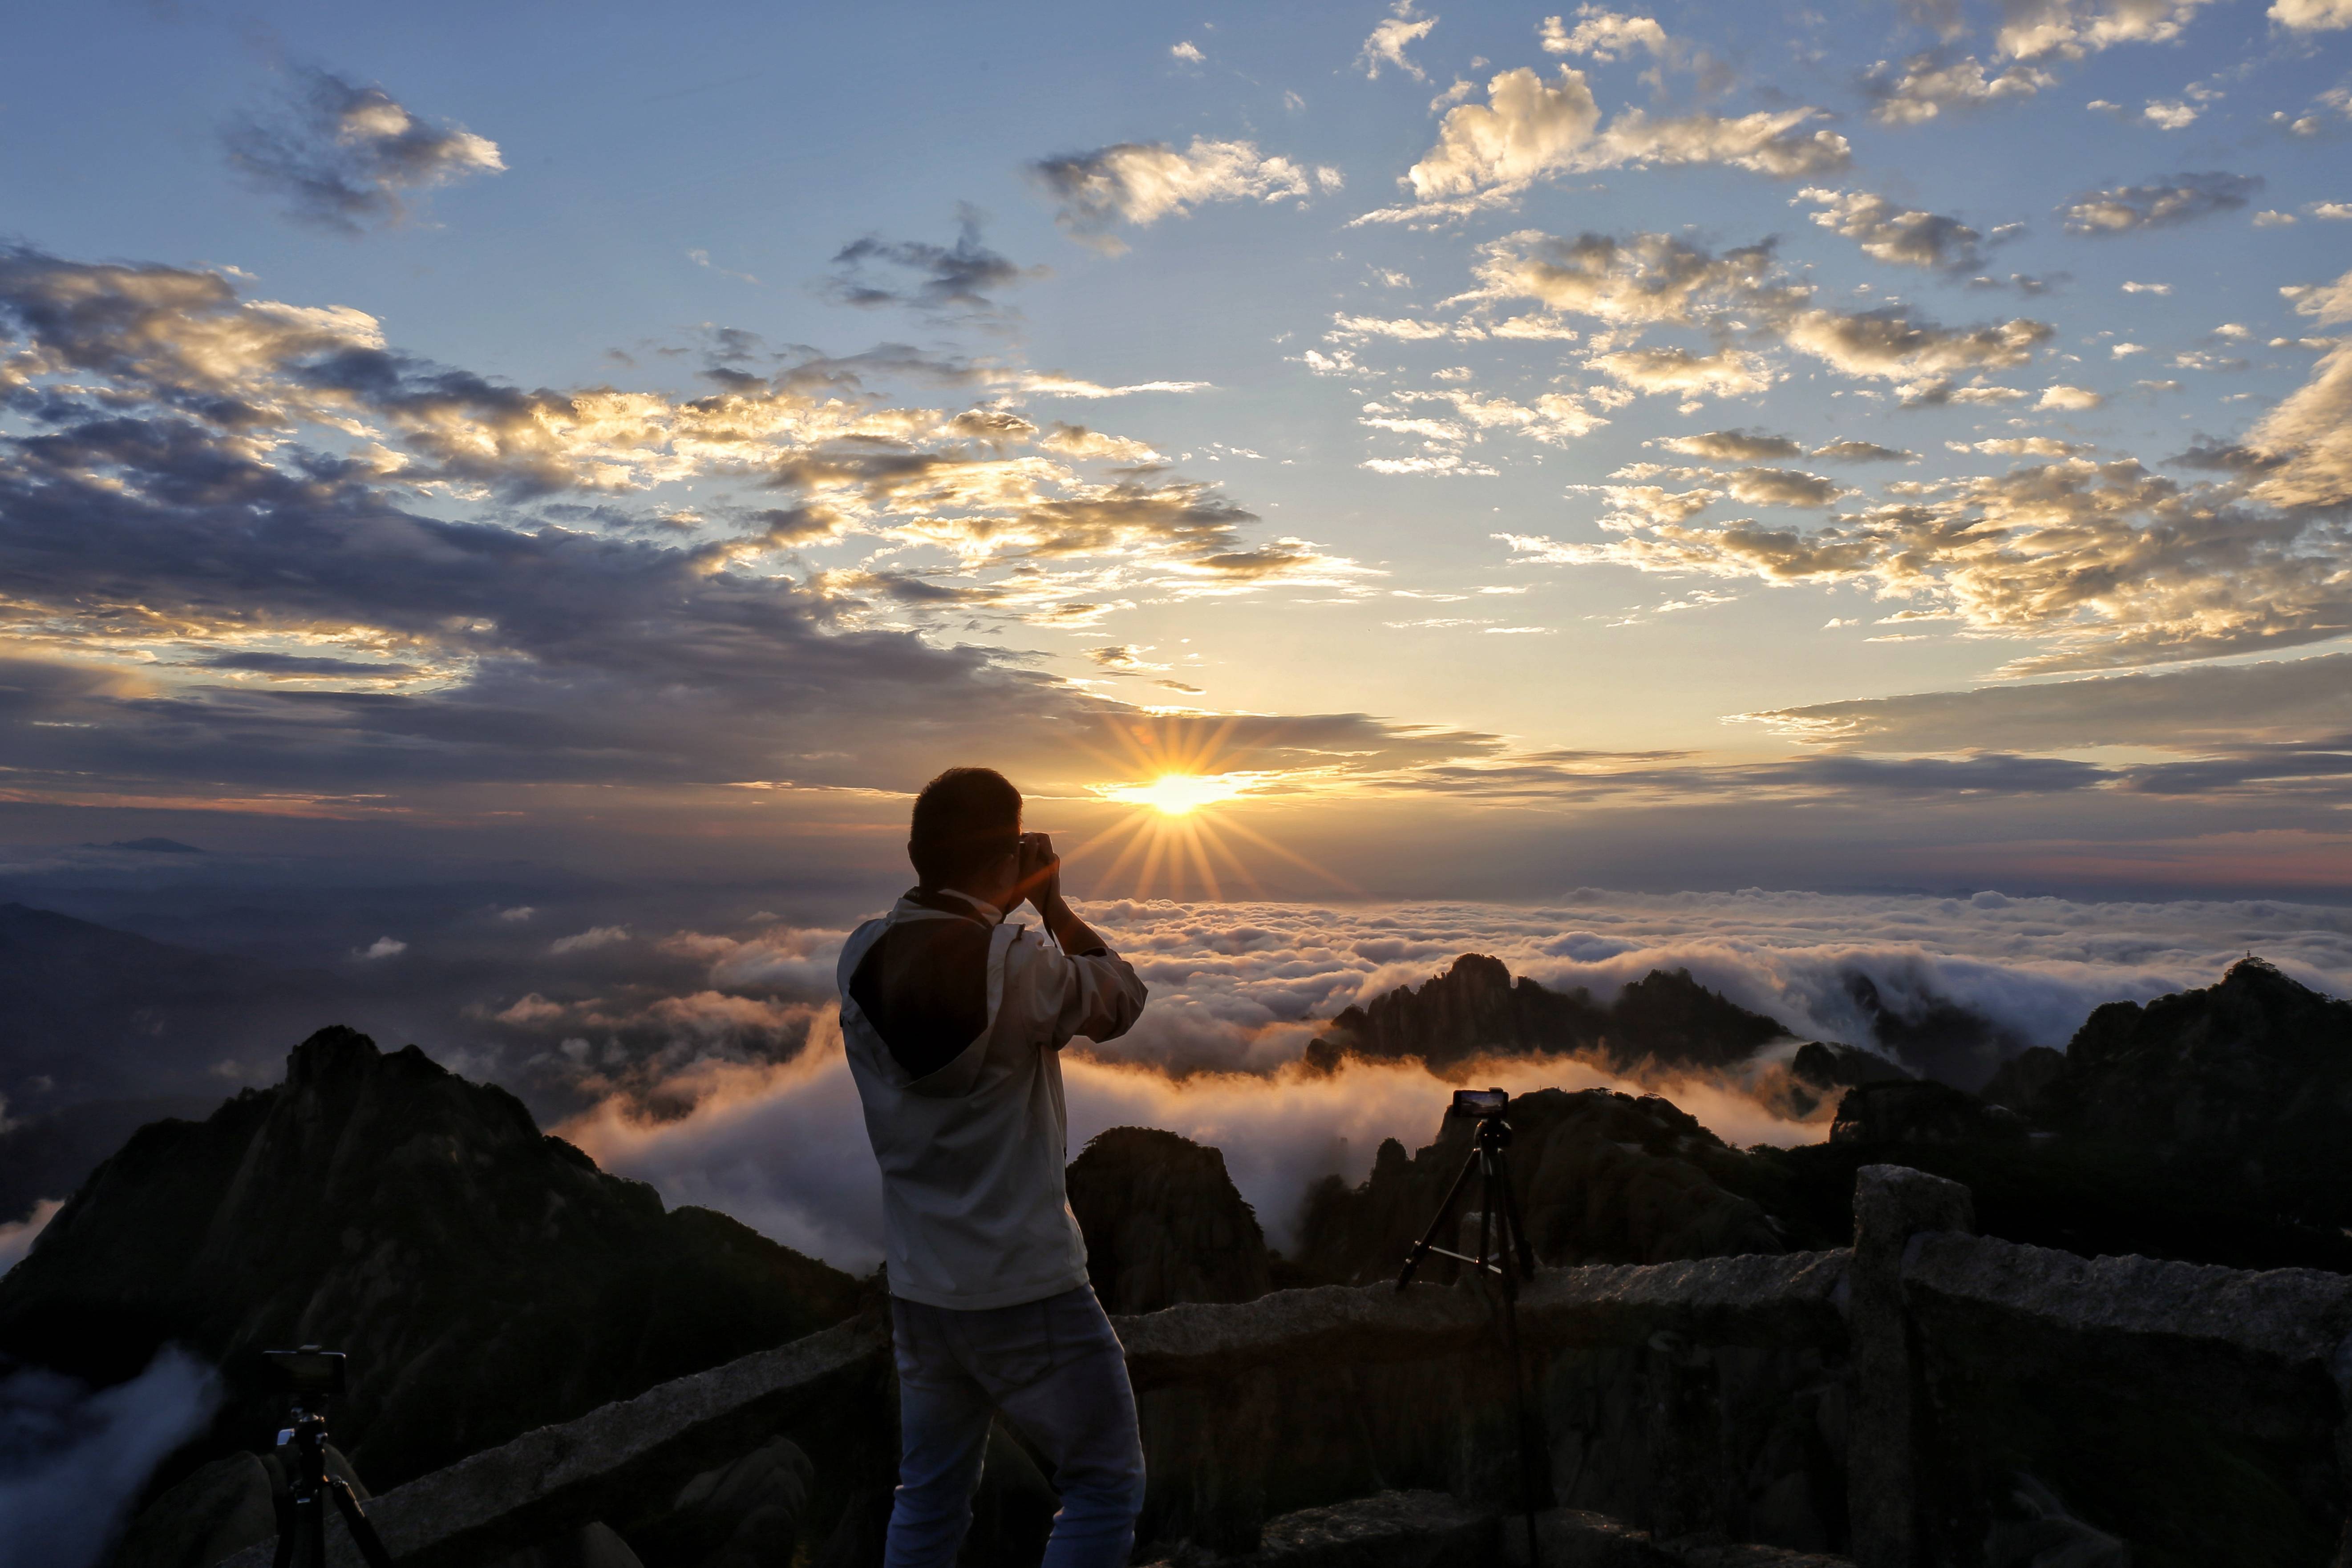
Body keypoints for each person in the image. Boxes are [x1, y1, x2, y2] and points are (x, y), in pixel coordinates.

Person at [838, 766, 1151, 1568]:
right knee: (1104, 1482)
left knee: (930, 1496)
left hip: (920, 1287)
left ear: (915, 854)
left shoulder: (860, 957)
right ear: (1011, 854)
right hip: (1026, 1285)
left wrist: (1006, 888)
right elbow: (1121, 997)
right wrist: (1051, 904)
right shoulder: (1018, 965)